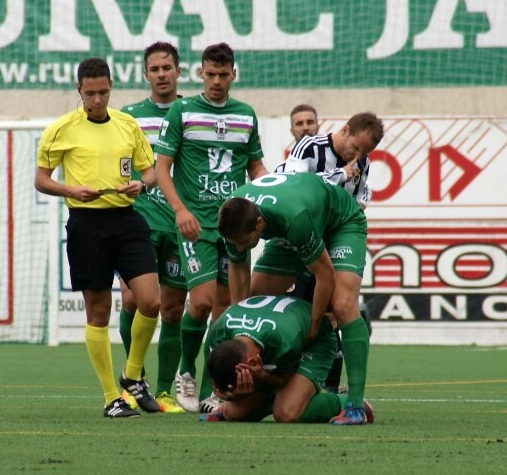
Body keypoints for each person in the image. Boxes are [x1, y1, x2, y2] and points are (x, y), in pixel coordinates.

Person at [35, 57, 160, 418]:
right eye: (90, 94)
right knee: (99, 313)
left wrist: (142, 183)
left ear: (111, 88)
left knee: (150, 301)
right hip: (86, 224)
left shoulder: (127, 125)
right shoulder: (61, 130)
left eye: (103, 92)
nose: (97, 100)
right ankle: (111, 397)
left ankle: (132, 374)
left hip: (126, 220)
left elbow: (150, 172)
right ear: (79, 90)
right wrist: (71, 189)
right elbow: (41, 180)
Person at [155, 42, 268, 412]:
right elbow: (162, 168)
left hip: (233, 227)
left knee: (227, 311)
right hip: (196, 225)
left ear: (233, 74)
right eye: (210, 74)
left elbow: (255, 168)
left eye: (224, 74)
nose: (217, 81)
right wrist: (179, 211)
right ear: (200, 73)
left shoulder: (246, 115)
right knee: (201, 303)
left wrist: (273, 189)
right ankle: (185, 371)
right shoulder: (182, 110)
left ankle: (212, 390)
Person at [218, 172, 370, 425]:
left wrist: (313, 324)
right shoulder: (234, 214)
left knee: (342, 305)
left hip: (339, 223)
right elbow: (238, 266)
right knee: (257, 302)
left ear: (258, 225)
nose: (241, 248)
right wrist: (239, 321)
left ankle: (355, 404)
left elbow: (324, 274)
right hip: (292, 226)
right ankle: (267, 390)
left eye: (245, 242)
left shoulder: (293, 219)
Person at [262, 111, 384, 392]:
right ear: (345, 130)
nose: (358, 155)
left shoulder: (362, 161)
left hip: (330, 237)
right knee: (260, 297)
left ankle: (333, 387)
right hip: (295, 234)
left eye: (364, 151)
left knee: (337, 308)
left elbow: (360, 199)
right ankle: (261, 375)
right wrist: (340, 175)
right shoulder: (310, 146)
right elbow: (293, 188)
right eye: (356, 147)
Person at [117, 42, 185, 414]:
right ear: (146, 74)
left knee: (173, 309)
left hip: (178, 223)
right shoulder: (128, 117)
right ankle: (133, 381)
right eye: (154, 69)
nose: (161, 74)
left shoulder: (191, 112)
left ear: (178, 71)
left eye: (167, 67)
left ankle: (163, 391)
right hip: (137, 224)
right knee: (132, 301)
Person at [204, 294, 373, 424]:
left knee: (286, 412)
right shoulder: (217, 333)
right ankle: (275, 398)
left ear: (253, 363)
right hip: (277, 335)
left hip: (315, 340)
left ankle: (346, 401)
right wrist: (229, 395)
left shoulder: (284, 341)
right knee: (233, 414)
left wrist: (261, 377)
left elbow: (282, 380)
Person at [274, 103, 319, 172]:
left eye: (310, 122)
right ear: (292, 131)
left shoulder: (335, 166)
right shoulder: (282, 170)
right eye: (299, 124)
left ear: (317, 127)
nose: (305, 127)